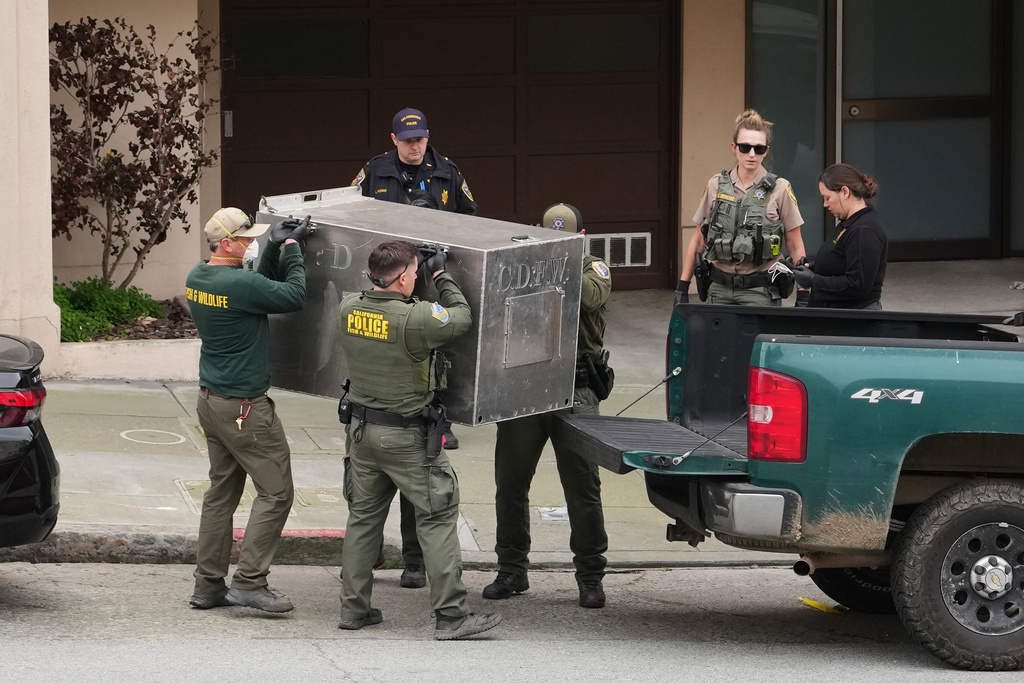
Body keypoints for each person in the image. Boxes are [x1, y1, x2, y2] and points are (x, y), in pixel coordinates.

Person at [336, 240, 502, 640]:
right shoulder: (418, 319)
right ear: (405, 277)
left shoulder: (348, 308)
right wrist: (441, 274)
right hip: (407, 436)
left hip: (361, 433)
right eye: (413, 272)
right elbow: (462, 317)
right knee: (438, 517)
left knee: (363, 518)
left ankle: (354, 609)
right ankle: (451, 615)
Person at [483, 203, 612, 609]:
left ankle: (590, 575)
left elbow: (589, 299)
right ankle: (511, 569)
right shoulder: (526, 265)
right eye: (549, 235)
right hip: (527, 387)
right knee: (511, 481)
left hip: (575, 387)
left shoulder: (595, 268)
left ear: (581, 236)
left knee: (582, 486)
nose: (556, 241)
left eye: (566, 236)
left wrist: (559, 257)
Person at [186, 207, 312, 613]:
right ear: (226, 243)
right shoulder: (238, 284)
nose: (251, 244)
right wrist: (291, 248)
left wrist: (273, 246)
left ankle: (207, 585)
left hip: (211, 402)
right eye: (246, 239)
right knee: (276, 492)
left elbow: (261, 285)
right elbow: (292, 294)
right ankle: (249, 582)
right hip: (244, 408)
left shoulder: (199, 277)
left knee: (220, 495)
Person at [676, 109, 806, 306]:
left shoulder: (780, 189)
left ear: (766, 151)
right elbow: (697, 239)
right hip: (719, 288)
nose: (751, 154)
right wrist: (682, 287)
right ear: (734, 147)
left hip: (760, 291)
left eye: (759, 149)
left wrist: (803, 292)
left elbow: (795, 244)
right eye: (745, 147)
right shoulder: (716, 185)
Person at [792, 163, 887, 309]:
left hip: (851, 320)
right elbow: (842, 263)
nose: (825, 204)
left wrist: (814, 280)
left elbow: (856, 284)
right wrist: (813, 268)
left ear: (845, 192)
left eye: (827, 198)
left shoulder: (864, 230)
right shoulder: (849, 222)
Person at [352, 107, 477, 215]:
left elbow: (468, 213)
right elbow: (351, 208)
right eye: (408, 140)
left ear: (427, 135)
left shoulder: (446, 170)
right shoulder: (376, 168)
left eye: (419, 139)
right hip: (389, 241)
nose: (415, 146)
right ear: (394, 139)